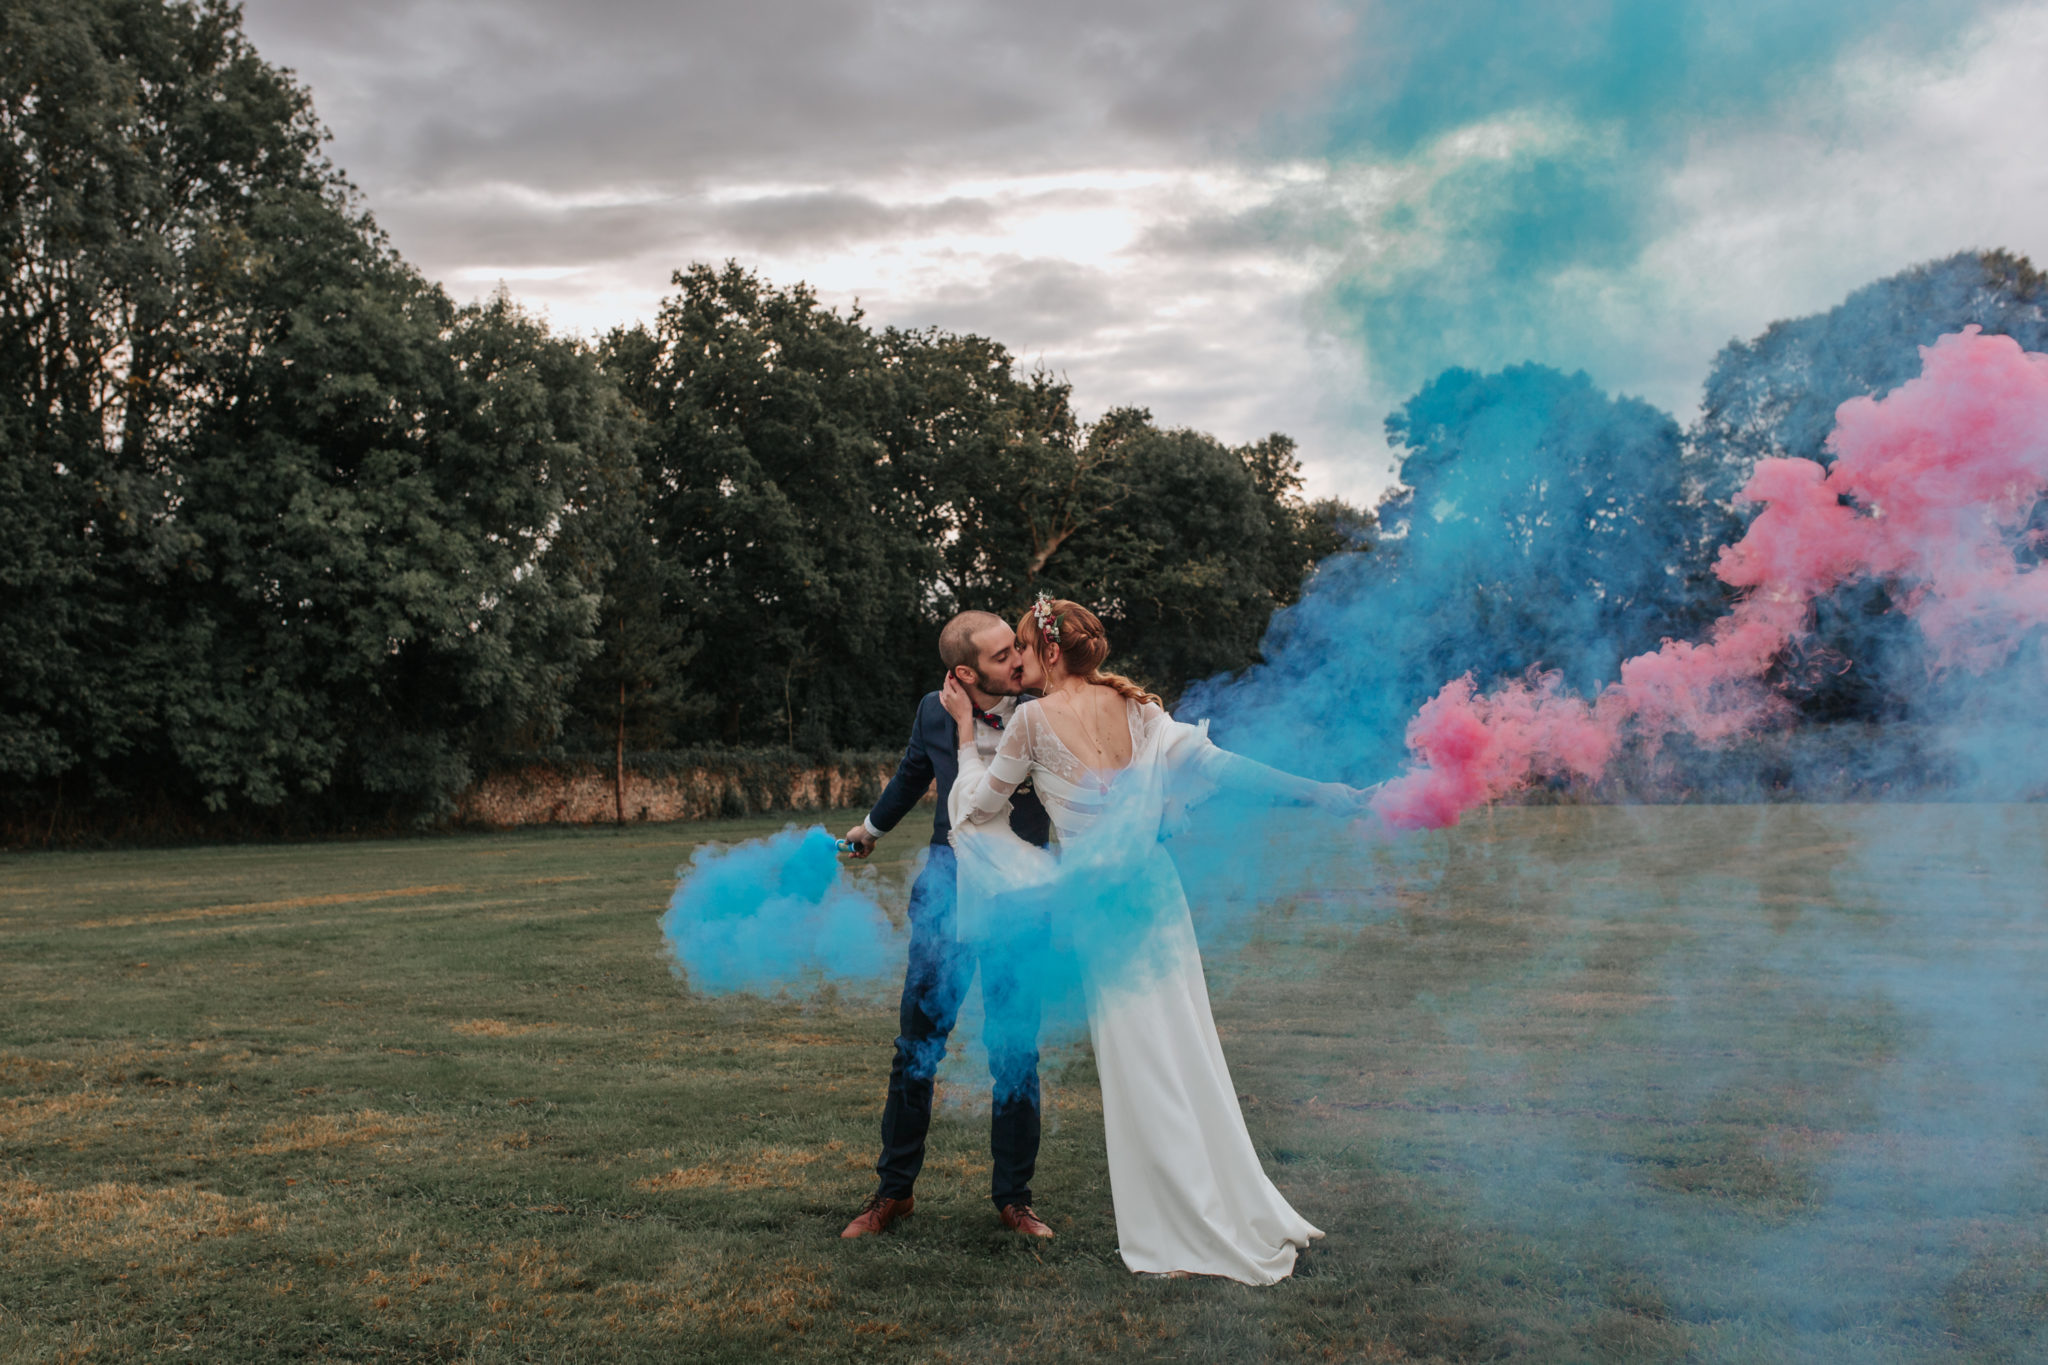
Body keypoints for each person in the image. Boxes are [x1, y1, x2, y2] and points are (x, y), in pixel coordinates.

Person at [943, 596, 1370, 1283]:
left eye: (1022, 645)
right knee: (1188, 1049)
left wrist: (966, 735)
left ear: (1049, 651)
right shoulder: (1141, 711)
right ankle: (1219, 1200)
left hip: (1105, 913)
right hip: (1158, 896)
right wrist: (1323, 792)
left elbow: (976, 807)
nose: (1016, 658)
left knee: (1144, 1067)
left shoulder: (1027, 722)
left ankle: (1188, 1224)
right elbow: (1227, 768)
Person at [838, 610, 1057, 1241]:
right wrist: (870, 831)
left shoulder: (1045, 705)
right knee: (917, 1050)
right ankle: (892, 1194)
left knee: (1015, 1052)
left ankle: (1015, 1200)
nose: (1018, 659)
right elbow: (913, 774)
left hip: (1021, 896)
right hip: (948, 893)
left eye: (1017, 647)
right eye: (1001, 656)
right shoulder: (934, 711)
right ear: (965, 673)